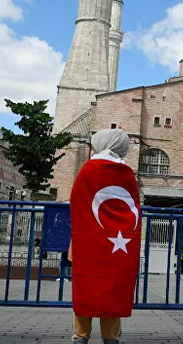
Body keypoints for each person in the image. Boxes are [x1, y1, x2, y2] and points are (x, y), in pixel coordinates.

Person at [69, 129, 141, 344]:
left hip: (87, 240)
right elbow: (132, 207)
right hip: (118, 243)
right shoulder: (127, 173)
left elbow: (77, 200)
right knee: (114, 287)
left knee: (85, 285)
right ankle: (111, 337)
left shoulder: (88, 169)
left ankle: (81, 335)